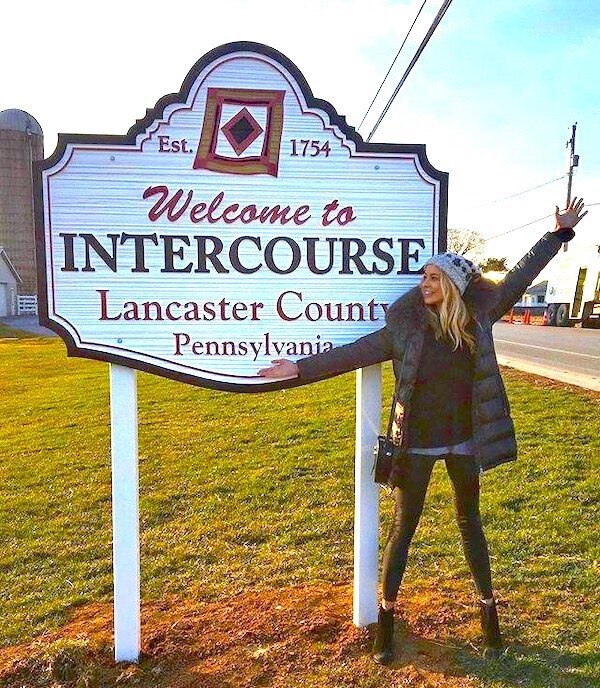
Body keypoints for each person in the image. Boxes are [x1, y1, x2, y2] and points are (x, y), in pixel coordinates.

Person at [258, 198, 588, 663]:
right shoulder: (405, 328)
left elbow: (519, 276)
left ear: (453, 285)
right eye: (424, 276)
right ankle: (386, 625)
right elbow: (352, 354)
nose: (425, 284)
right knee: (403, 529)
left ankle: (490, 619)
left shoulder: (478, 318)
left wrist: (557, 234)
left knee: (470, 524)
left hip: (465, 441)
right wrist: (298, 368)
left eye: (434, 277)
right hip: (413, 444)